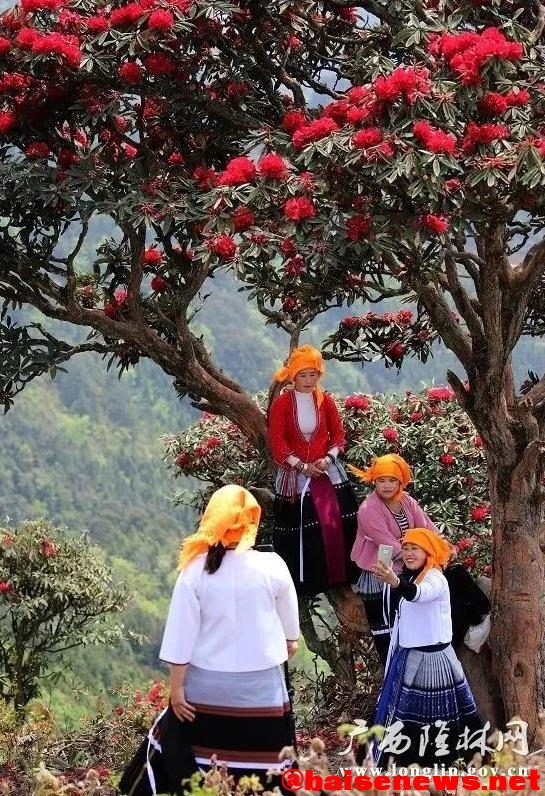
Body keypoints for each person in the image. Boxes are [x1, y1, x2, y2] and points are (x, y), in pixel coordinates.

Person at [159, 484, 300, 788]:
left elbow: (179, 637)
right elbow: (291, 632)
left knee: (200, 760)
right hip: (261, 690)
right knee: (271, 762)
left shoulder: (194, 569)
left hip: (205, 689)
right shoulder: (272, 566)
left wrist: (176, 689)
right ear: (253, 521)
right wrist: (287, 642)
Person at [370, 528, 482, 768]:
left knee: (441, 717)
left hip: (435, 658)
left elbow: (419, 595)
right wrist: (395, 581)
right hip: (410, 656)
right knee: (405, 714)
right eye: (406, 548)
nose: (409, 553)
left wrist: (394, 581)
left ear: (428, 552)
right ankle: (406, 764)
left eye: (415, 549)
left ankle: (447, 764)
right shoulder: (411, 577)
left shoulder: (435, 577)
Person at [268, 344, 358, 596]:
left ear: (319, 375)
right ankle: (304, 583)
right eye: (303, 375)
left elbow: (338, 436)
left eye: (313, 374)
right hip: (295, 472)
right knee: (301, 526)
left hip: (325, 469)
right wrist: (302, 466)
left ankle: (339, 577)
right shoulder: (282, 405)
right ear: (292, 377)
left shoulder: (325, 401)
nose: (308, 381)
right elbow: (278, 443)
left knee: (335, 522)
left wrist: (328, 460)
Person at [349, 454, 439, 665]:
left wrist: (444, 547)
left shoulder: (407, 501)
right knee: (389, 632)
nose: (387, 486)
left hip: (410, 565)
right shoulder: (368, 510)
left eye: (392, 480)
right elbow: (389, 546)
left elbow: (427, 528)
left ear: (401, 481)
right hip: (379, 570)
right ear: (374, 481)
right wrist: (426, 559)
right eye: (382, 480)